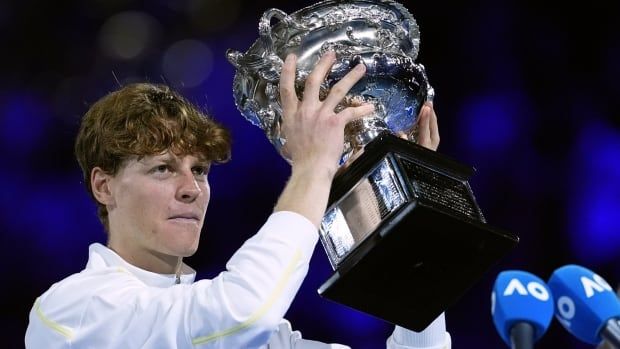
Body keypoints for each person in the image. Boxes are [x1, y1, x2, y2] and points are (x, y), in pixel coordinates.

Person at [25, 51, 447, 348]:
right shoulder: (71, 311)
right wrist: (313, 168)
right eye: (162, 168)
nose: (191, 188)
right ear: (104, 187)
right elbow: (241, 313)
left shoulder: (260, 338)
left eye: (201, 170)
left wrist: (407, 217)